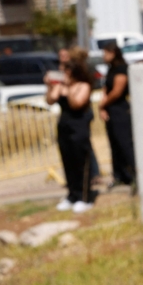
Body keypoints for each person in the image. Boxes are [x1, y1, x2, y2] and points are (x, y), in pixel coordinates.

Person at [47, 47, 98, 213]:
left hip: (79, 126)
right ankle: (72, 194)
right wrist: (50, 86)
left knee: (81, 161)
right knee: (68, 160)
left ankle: (85, 196)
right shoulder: (61, 86)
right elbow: (50, 100)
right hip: (64, 126)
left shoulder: (83, 85)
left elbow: (77, 103)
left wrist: (68, 89)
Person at [98, 43, 136, 190]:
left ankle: (134, 175)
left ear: (113, 53)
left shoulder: (121, 69)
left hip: (121, 110)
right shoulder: (110, 69)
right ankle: (120, 175)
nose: (103, 56)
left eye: (106, 53)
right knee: (114, 144)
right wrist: (104, 107)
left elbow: (117, 91)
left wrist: (103, 104)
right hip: (111, 110)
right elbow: (106, 88)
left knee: (124, 143)